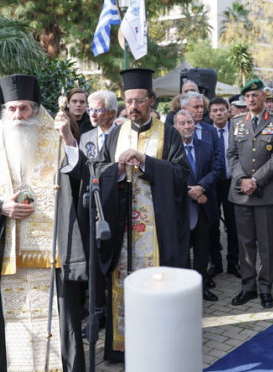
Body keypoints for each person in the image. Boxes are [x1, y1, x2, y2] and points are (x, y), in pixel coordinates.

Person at [0, 74, 86, 372]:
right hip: (11, 255)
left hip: (51, 255)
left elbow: (81, 178)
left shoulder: (56, 136)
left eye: (24, 108)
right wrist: (1, 207)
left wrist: (70, 139)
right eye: (11, 109)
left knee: (59, 325)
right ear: (4, 111)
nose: (18, 115)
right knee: (14, 327)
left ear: (35, 108)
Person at [94, 68, 191, 362]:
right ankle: (122, 347)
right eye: (128, 101)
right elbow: (98, 172)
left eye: (138, 101)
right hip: (121, 228)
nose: (132, 107)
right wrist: (118, 171)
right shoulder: (115, 135)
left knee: (156, 282)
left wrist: (147, 162)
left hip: (157, 230)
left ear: (150, 101)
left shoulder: (169, 134)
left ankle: (157, 345)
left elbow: (182, 175)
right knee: (121, 282)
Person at [62, 89, 118, 336]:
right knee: (93, 258)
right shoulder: (86, 136)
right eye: (91, 110)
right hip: (91, 205)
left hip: (117, 205)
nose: (92, 114)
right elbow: (79, 170)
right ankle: (97, 312)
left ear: (112, 112)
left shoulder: (123, 134)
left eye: (98, 110)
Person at [227, 78, 273, 310]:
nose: (251, 100)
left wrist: (255, 180)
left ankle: (265, 287)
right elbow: (231, 155)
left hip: (267, 193)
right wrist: (242, 179)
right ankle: (248, 286)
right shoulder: (237, 122)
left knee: (268, 244)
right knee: (245, 243)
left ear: (264, 98)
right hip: (242, 193)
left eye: (255, 96)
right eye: (248, 97)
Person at [173, 110, 220, 301]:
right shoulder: (170, 150)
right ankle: (185, 291)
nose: (186, 127)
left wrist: (201, 188)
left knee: (202, 251)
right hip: (182, 209)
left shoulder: (206, 146)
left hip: (204, 207)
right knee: (183, 253)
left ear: (195, 125)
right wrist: (191, 192)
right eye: (182, 123)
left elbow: (217, 170)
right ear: (175, 127)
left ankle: (201, 288)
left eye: (189, 123)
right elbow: (170, 176)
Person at [207, 97, 240, 279]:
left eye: (222, 109)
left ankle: (234, 262)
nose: (219, 113)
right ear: (210, 114)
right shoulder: (205, 132)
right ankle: (216, 262)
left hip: (231, 183)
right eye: (215, 111)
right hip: (211, 185)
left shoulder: (236, 129)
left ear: (229, 111)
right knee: (212, 224)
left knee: (234, 224)